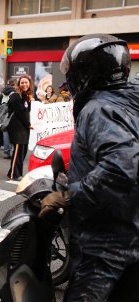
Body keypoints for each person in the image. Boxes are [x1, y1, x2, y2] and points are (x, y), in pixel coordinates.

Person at [39, 34, 139, 301]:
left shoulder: (99, 108)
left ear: (86, 73)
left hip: (105, 245)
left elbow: (122, 165)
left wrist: (71, 194)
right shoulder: (128, 101)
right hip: (128, 229)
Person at [6, 75, 33, 181]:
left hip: (24, 128)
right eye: (22, 82)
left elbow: (27, 110)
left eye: (26, 82)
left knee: (23, 151)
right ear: (18, 84)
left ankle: (16, 172)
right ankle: (14, 174)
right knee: (18, 152)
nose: (24, 84)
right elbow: (21, 112)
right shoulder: (15, 96)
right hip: (17, 128)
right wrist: (28, 124)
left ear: (29, 83)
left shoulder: (26, 95)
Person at [0, 78, 17, 159]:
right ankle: (14, 151)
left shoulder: (3, 92)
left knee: (5, 132)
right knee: (13, 133)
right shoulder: (14, 93)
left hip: (3, 114)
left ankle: (6, 152)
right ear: (14, 84)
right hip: (12, 113)